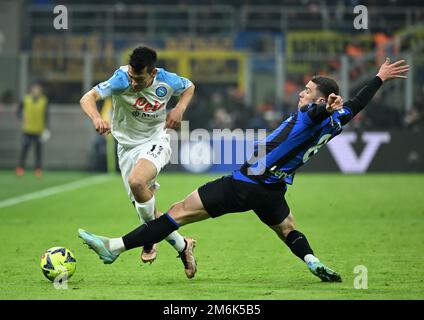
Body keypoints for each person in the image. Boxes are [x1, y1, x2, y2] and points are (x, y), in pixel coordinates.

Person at [78, 58, 409, 281]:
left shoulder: (314, 114)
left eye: (307, 90)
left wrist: (323, 105)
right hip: (274, 191)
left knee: (175, 213)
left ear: (320, 98)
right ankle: (312, 261)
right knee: (286, 228)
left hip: (245, 183)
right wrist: (378, 78)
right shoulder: (336, 121)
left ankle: (115, 247)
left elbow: (316, 115)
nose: (301, 92)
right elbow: (357, 104)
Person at [79, 46, 197, 278]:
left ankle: (149, 240)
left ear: (152, 73)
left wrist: (180, 108)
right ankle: (184, 246)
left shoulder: (166, 81)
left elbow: (190, 86)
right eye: (132, 77)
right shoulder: (120, 79)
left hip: (156, 140)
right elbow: (87, 98)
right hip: (126, 149)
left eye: (139, 79)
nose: (133, 83)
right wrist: (96, 118)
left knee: (137, 182)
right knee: (148, 209)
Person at [16, 83, 50, 177]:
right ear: (31, 90)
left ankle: (38, 169)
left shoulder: (44, 100)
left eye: (38, 89)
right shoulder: (25, 99)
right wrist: (21, 117)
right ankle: (20, 168)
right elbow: (18, 111)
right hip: (27, 130)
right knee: (24, 150)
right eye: (35, 89)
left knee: (38, 151)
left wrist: (47, 128)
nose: (36, 91)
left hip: (39, 130)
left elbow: (46, 115)